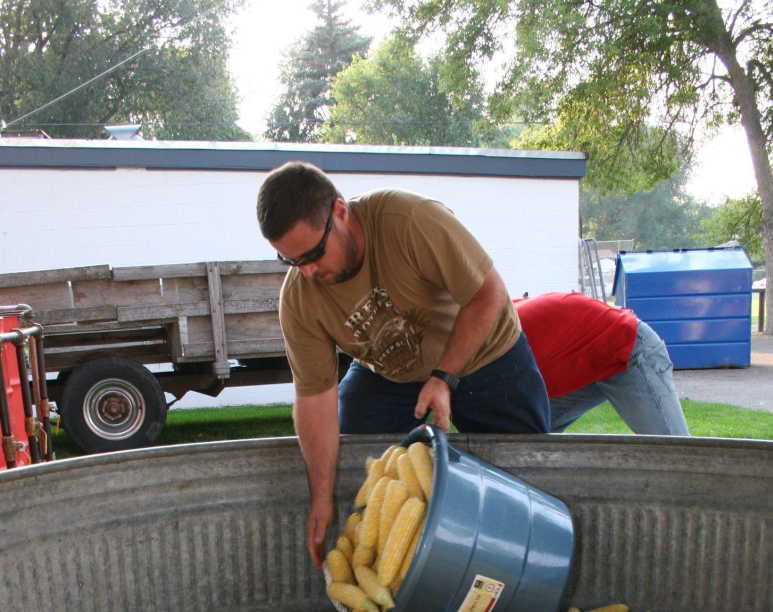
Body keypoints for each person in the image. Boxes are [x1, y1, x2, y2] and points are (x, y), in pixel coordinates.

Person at [256, 161, 550, 565]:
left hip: (486, 353)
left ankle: (521, 566)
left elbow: (488, 294)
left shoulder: (409, 219)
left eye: (314, 254)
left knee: (525, 484)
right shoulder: (299, 299)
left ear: (340, 212)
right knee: (364, 469)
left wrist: (444, 377)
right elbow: (314, 398)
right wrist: (321, 499)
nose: (307, 272)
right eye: (291, 261)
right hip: (390, 373)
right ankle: (406, 569)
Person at [513, 292, 690, 436]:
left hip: (627, 346)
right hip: (581, 360)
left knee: (673, 449)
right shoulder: (503, 333)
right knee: (520, 439)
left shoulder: (504, 343)